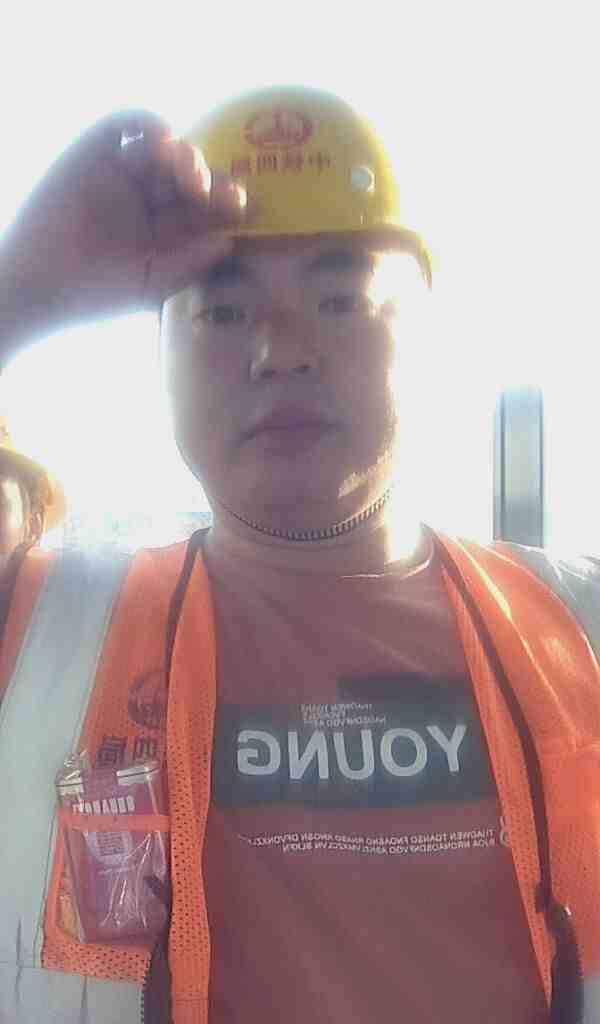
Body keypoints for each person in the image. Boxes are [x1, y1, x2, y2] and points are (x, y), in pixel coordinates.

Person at [0, 86, 598, 1024]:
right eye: (222, 313)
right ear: (160, 361)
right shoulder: (39, 627)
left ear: (429, 337)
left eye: (340, 299)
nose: (281, 351)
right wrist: (20, 291)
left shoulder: (583, 630)